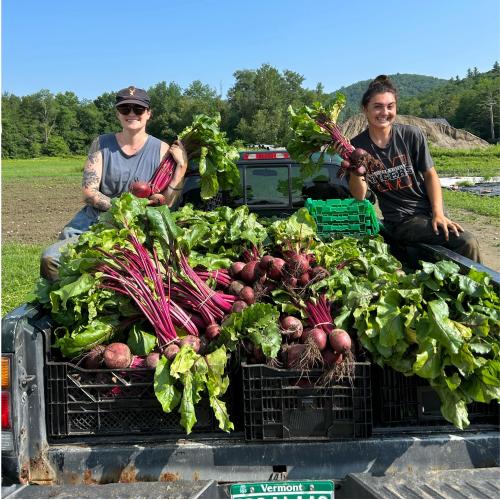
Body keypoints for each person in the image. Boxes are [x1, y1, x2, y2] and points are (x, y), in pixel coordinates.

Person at [40, 85, 188, 281]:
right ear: (118, 113)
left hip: (137, 230)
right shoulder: (101, 144)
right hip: (95, 224)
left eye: (138, 109)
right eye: (125, 109)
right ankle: (56, 306)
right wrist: (123, 208)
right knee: (50, 258)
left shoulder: (161, 149)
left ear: (148, 113)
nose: (132, 113)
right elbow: (89, 192)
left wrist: (181, 167)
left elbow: (166, 202)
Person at [347, 75, 482, 263]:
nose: (384, 112)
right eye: (377, 106)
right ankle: (480, 290)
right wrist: (356, 168)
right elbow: (359, 196)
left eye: (390, 106)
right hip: (401, 221)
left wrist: (438, 212)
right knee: (467, 242)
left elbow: (430, 174)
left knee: (447, 253)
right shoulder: (357, 146)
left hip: (429, 211)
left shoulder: (411, 135)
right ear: (365, 109)